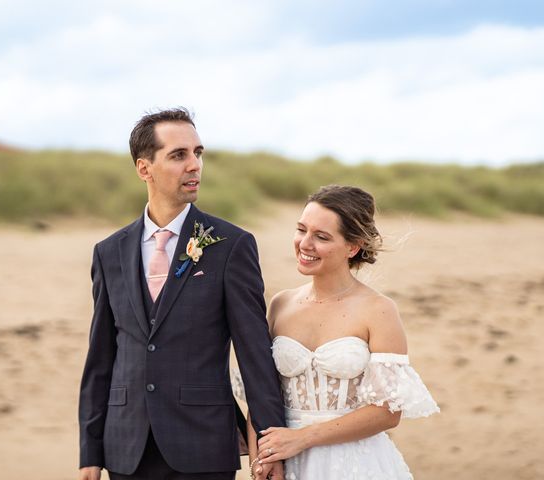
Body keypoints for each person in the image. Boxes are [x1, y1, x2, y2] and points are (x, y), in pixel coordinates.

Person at [78, 108, 286, 480]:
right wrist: (89, 452)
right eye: (179, 155)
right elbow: (101, 359)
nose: (194, 165)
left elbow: (255, 354)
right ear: (145, 168)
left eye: (198, 153)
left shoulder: (231, 245)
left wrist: (269, 446)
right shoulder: (108, 252)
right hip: (125, 448)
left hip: (203, 445)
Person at [247, 185, 439, 479]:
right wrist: (262, 460)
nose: (304, 244)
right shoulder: (281, 304)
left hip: (354, 464)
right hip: (286, 462)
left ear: (353, 246)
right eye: (301, 230)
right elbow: (261, 392)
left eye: (321, 237)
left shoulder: (379, 310)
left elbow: (388, 412)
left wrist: (303, 437)